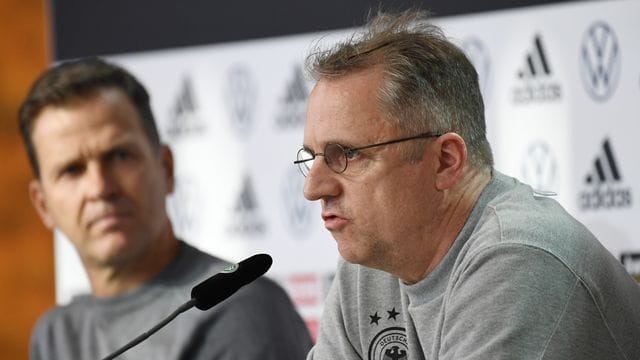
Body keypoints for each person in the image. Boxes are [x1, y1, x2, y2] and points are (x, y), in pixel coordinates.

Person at [295, 10, 640, 360]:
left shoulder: (519, 259)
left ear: (445, 161)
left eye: (346, 155)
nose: (314, 189)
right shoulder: (369, 267)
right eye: (313, 156)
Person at [19, 57, 312, 360]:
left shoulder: (239, 307)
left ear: (166, 169)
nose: (100, 188)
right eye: (72, 170)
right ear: (43, 205)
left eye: (119, 155)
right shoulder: (54, 335)